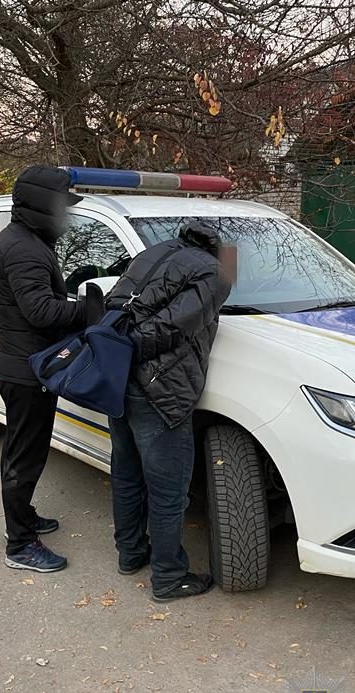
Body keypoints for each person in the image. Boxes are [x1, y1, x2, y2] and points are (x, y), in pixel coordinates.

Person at [105, 223, 233, 601]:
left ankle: (130, 555)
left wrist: (119, 352)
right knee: (168, 491)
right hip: (160, 389)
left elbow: (116, 305)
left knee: (127, 475)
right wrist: (132, 348)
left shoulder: (152, 253)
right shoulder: (215, 272)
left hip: (117, 379)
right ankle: (168, 577)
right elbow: (173, 325)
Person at [0, 165, 104, 573]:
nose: (66, 216)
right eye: (61, 207)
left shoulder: (27, 238)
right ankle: (20, 544)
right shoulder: (23, 247)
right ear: (41, 205)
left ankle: (25, 517)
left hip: (25, 362)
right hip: (26, 369)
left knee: (30, 450)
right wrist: (89, 311)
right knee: (24, 455)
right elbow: (40, 310)